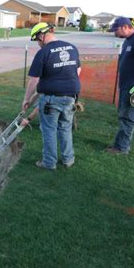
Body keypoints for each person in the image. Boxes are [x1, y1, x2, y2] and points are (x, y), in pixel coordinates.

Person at [21, 22, 81, 170]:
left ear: (42, 35)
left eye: (36, 39)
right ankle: (68, 159)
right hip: (71, 96)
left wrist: (26, 99)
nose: (37, 43)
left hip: (51, 99)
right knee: (65, 128)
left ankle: (49, 162)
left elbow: (34, 79)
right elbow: (78, 70)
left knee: (49, 130)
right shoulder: (72, 48)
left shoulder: (44, 52)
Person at [105, 16, 134, 155]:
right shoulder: (127, 41)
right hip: (126, 85)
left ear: (125, 27)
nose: (114, 32)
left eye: (116, 29)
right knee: (123, 115)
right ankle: (120, 145)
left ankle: (122, 148)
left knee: (127, 117)